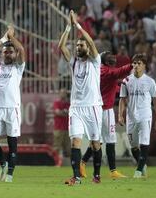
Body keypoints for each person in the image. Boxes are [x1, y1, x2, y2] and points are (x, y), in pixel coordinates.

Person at [58, 10, 103, 185]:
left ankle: (97, 175)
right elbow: (61, 46)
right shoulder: (74, 62)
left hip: (93, 106)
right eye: (77, 45)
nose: (78, 47)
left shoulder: (95, 61)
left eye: (81, 46)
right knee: (75, 141)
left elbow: (91, 41)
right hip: (76, 107)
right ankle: (76, 177)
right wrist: (68, 26)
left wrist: (77, 24)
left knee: (95, 144)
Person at [80, 51, 133, 179]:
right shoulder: (106, 71)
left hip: (96, 109)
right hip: (105, 110)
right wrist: (133, 65)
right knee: (110, 140)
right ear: (105, 61)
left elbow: (111, 85)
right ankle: (113, 171)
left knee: (99, 140)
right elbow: (118, 72)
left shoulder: (99, 70)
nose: (114, 59)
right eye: (111, 58)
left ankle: (82, 163)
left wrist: (121, 86)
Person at [0, 25, 25, 182]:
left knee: (12, 142)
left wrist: (12, 37)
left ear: (14, 54)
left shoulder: (18, 67)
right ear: (1, 54)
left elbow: (21, 50)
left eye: (10, 51)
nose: (8, 53)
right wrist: (4, 38)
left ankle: (10, 174)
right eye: (5, 52)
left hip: (12, 109)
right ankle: (3, 163)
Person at [118, 54, 156, 178]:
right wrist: (120, 115)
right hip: (131, 117)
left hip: (145, 116)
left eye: (139, 63)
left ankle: (138, 171)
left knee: (144, 143)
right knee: (133, 146)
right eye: (134, 63)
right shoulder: (126, 81)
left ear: (144, 66)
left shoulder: (150, 81)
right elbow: (122, 99)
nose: (136, 65)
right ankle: (143, 165)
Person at [52, 88, 71, 165]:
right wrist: (65, 112)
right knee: (56, 147)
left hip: (67, 128)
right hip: (58, 128)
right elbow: (57, 112)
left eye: (64, 93)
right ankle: (54, 163)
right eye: (62, 92)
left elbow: (69, 113)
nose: (63, 94)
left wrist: (62, 112)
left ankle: (69, 164)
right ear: (59, 93)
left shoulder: (68, 104)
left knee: (68, 148)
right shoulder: (57, 102)